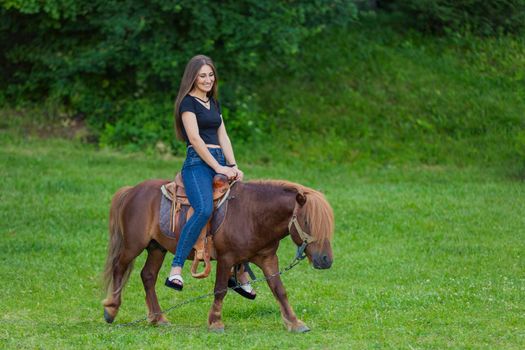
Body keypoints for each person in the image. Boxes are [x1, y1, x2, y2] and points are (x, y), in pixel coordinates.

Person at [165, 54, 255, 299]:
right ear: (192, 77)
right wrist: (219, 167)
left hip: (221, 163)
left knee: (239, 212)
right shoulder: (188, 103)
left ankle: (239, 273)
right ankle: (176, 267)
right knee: (204, 209)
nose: (207, 79)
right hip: (197, 164)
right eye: (202, 75)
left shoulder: (213, 103)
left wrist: (233, 165)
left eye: (210, 75)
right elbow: (195, 139)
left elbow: (223, 136)